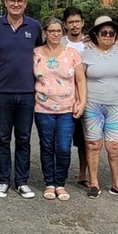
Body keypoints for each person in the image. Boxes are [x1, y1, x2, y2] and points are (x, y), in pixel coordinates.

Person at [0, 0, 42, 199]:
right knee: (2, 138)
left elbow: (39, 54)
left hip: (28, 91)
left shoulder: (35, 27)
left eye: (20, 1)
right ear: (5, 2)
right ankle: (3, 180)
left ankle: (21, 181)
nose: (16, 4)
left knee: (24, 138)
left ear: (25, 3)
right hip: (1, 91)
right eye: (12, 0)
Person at [81, 16, 118, 199]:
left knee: (114, 146)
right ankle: (94, 183)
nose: (108, 36)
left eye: (112, 33)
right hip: (93, 105)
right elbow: (80, 79)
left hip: (116, 106)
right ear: (96, 34)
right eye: (104, 32)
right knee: (93, 144)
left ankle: (117, 184)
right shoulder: (85, 53)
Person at [33, 18, 85, 201]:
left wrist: (82, 101)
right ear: (45, 33)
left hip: (67, 108)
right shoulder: (36, 53)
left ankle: (60, 183)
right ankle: (49, 183)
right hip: (42, 108)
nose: (55, 34)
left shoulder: (72, 54)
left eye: (58, 31)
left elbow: (80, 80)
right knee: (47, 146)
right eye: (51, 31)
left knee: (63, 147)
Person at [62, 6, 91, 188]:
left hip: (86, 96)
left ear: (82, 23)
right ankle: (60, 174)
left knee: (85, 139)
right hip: (64, 97)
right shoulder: (61, 43)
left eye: (77, 22)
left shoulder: (90, 44)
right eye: (71, 22)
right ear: (65, 25)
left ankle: (82, 174)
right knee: (63, 140)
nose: (74, 25)